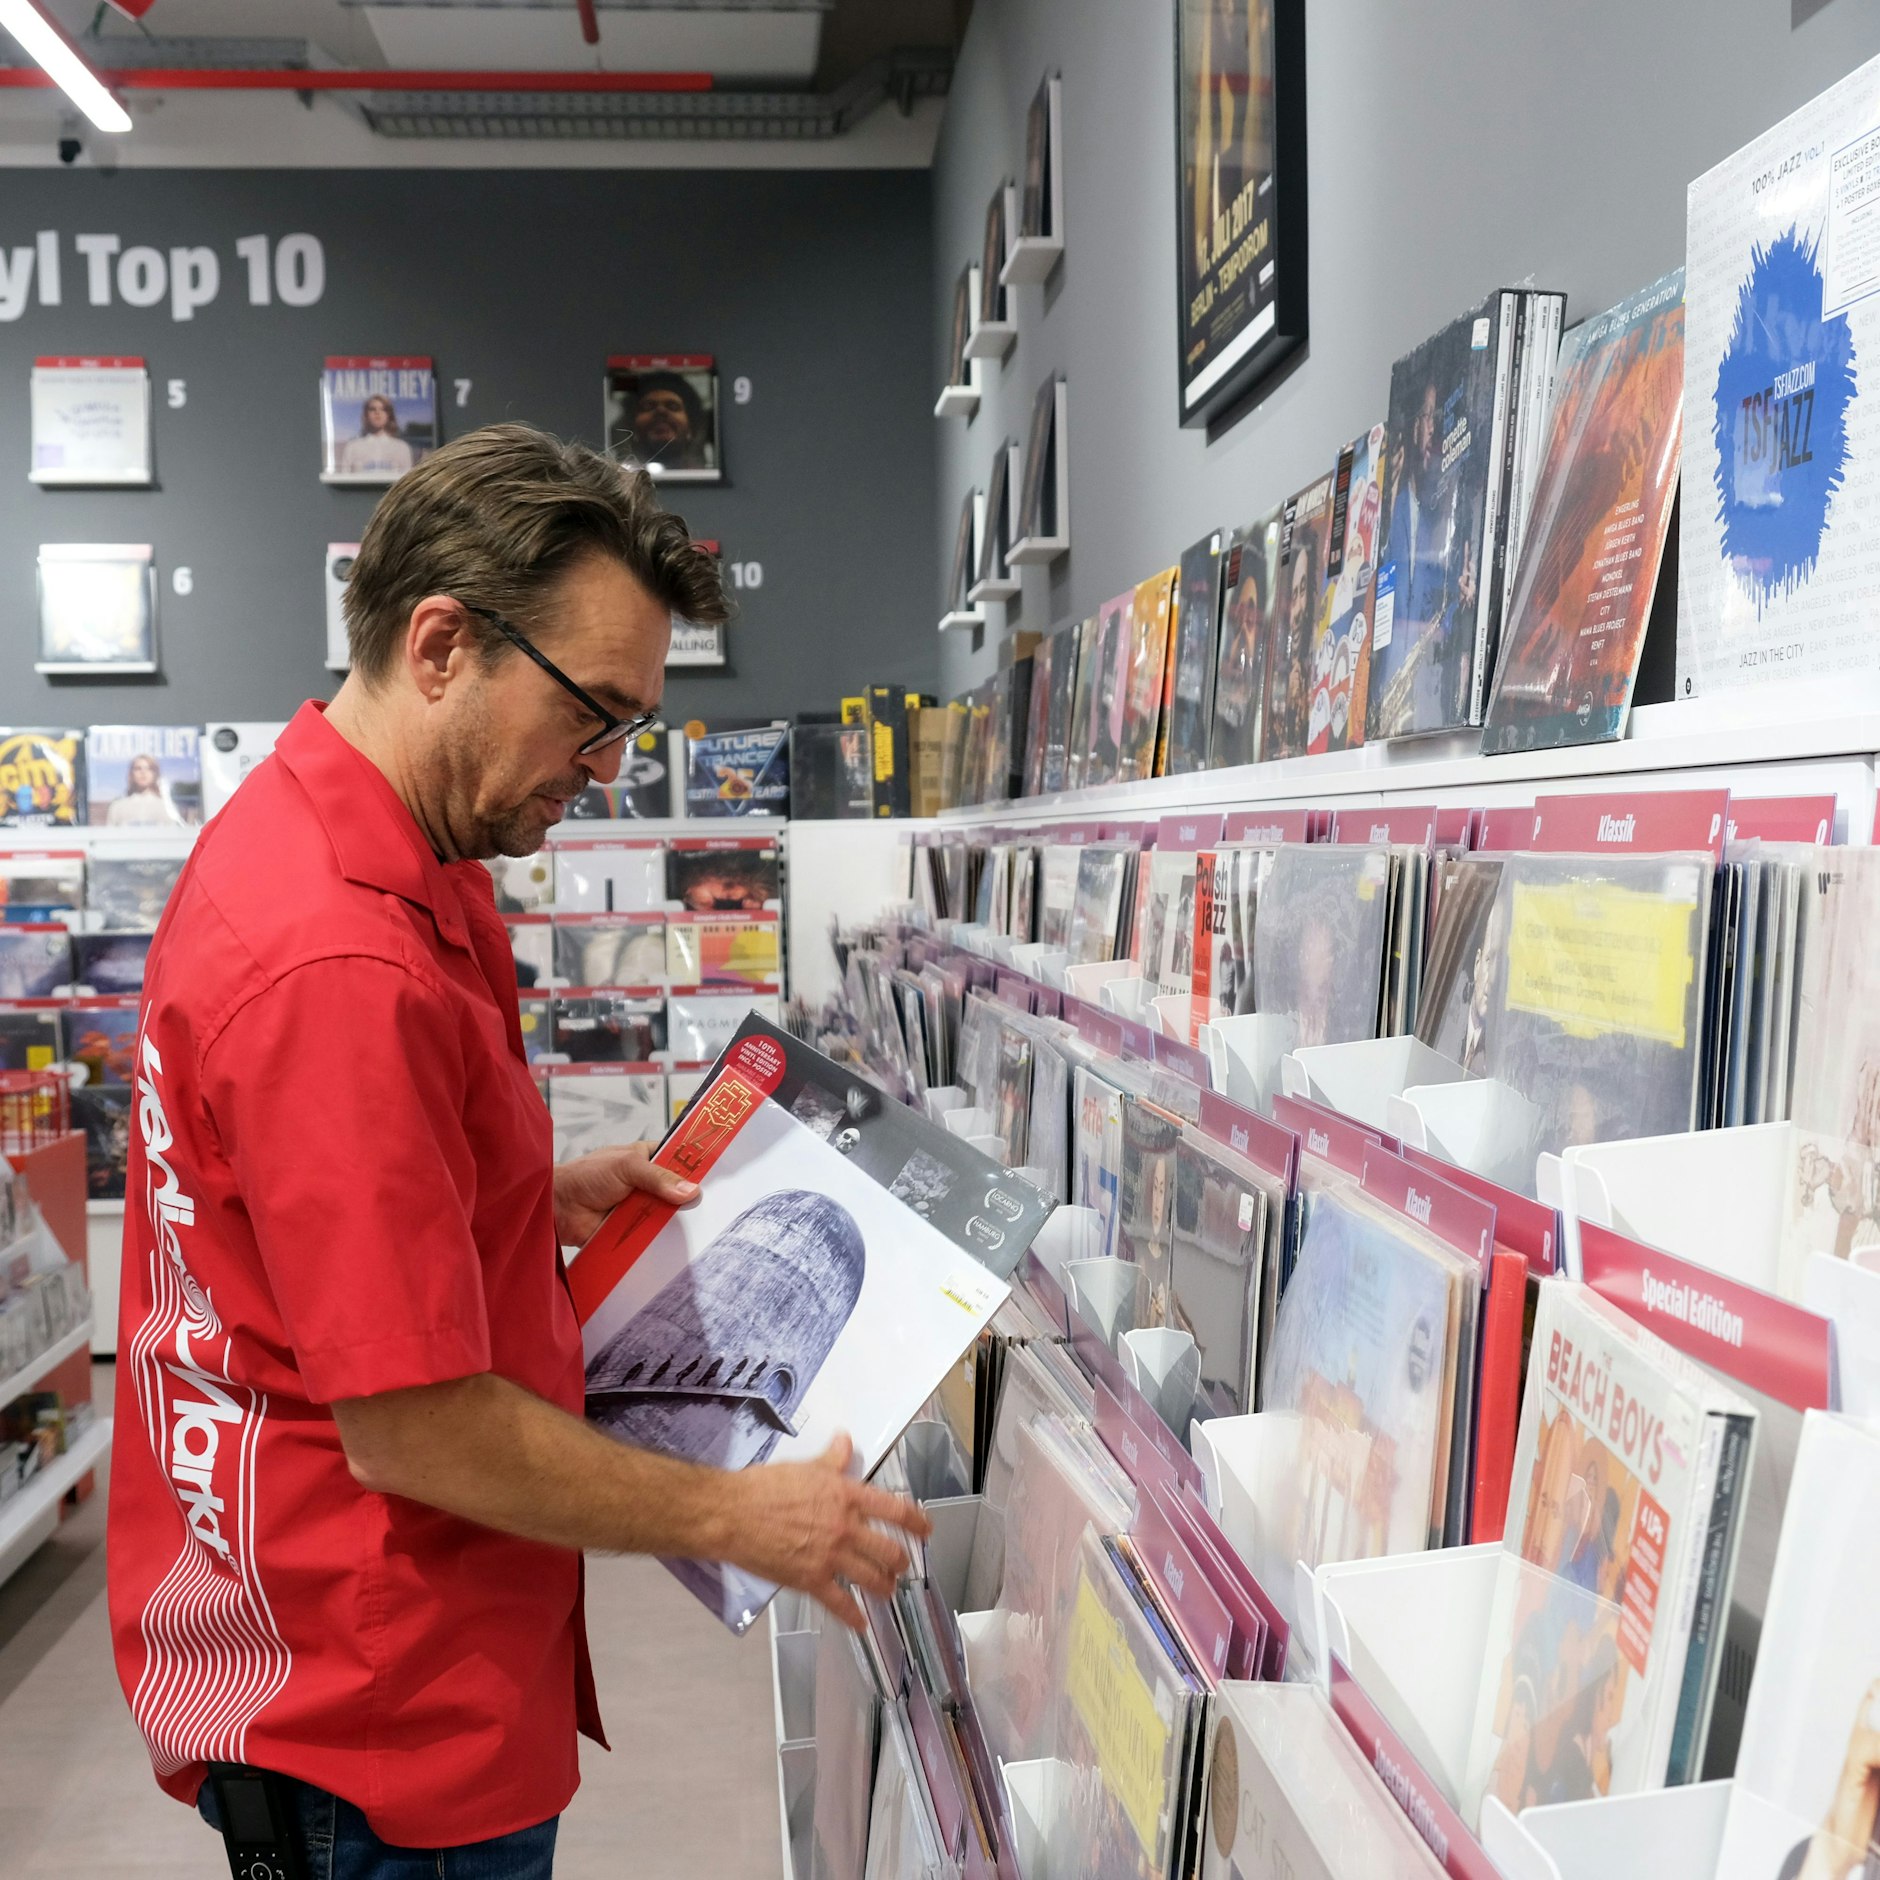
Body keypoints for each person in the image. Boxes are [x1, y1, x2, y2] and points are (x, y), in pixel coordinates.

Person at [106, 423, 930, 1877]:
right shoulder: (336, 959)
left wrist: (514, 1195)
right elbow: (415, 1425)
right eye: (593, 714)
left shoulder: (378, 844)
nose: (605, 772)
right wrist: (743, 1515)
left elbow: (292, 1192)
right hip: (376, 1715)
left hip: (379, 1662)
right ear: (441, 645)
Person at [614, 369, 712, 475]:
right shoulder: (617, 483)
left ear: (691, 429)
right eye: (648, 406)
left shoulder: (705, 478)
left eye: (673, 406)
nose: (661, 411)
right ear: (632, 428)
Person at [334, 391, 417, 478]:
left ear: (389, 415)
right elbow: (344, 478)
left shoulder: (402, 448)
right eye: (372, 409)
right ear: (366, 415)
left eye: (383, 409)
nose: (377, 412)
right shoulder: (352, 447)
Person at [104, 751, 181, 826]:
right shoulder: (117, 807)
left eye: (149, 768)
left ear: (155, 774)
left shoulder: (167, 808)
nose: (143, 772)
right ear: (131, 773)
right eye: (138, 768)